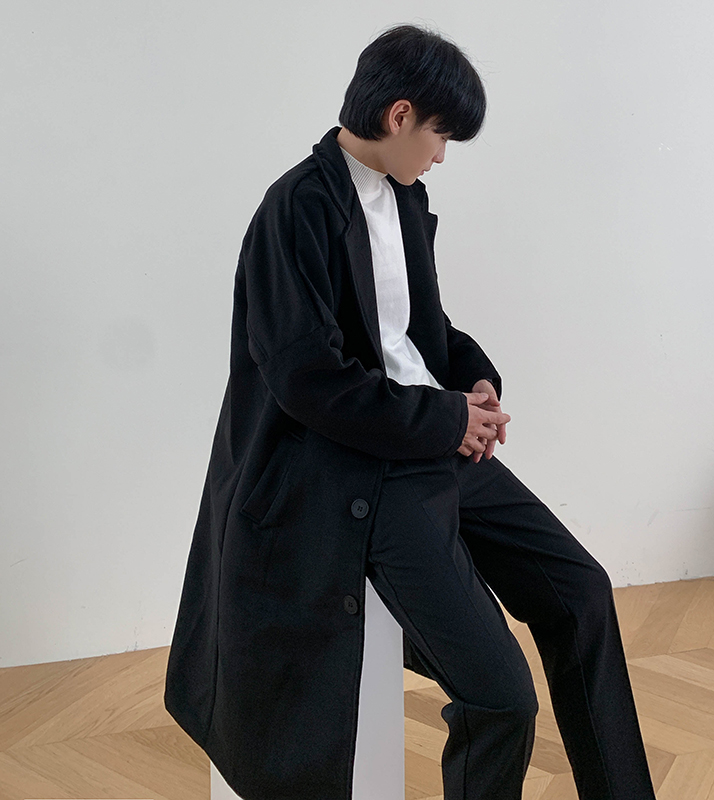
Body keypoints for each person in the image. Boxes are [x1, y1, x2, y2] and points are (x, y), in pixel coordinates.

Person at [164, 22, 657, 800]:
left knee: (582, 593)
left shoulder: (402, 196)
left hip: (428, 442)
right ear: (399, 116)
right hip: (359, 470)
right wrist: (449, 421)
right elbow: (307, 379)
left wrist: (475, 382)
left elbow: (413, 333)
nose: (441, 156)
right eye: (440, 135)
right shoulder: (296, 207)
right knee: (502, 697)